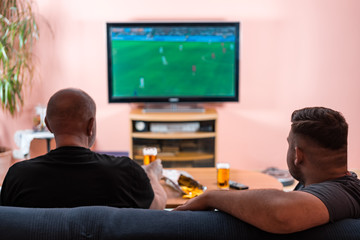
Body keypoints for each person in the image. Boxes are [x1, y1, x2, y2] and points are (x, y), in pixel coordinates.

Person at [175, 107, 360, 234]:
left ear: (298, 155)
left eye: (289, 144)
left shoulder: (342, 193)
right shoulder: (331, 184)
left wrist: (211, 197)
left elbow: (281, 213)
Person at [0, 88, 167, 209]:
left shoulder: (18, 176)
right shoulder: (126, 171)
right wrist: (151, 174)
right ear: (91, 126)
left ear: (48, 125)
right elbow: (157, 208)